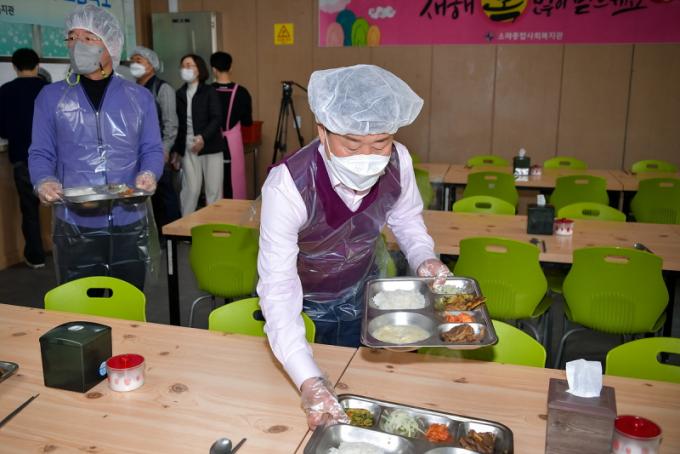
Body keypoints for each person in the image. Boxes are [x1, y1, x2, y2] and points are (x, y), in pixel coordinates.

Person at [257, 64, 451, 428]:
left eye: (380, 143)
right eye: (350, 144)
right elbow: (279, 288)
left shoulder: (399, 161)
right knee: (310, 397)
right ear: (322, 131)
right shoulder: (288, 185)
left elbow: (406, 219)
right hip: (304, 312)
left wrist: (424, 258)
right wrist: (309, 381)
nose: (367, 156)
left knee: (365, 395)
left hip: (365, 296)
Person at [28, 4, 164, 290]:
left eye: (88, 38)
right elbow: (41, 151)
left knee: (127, 300)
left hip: (129, 219)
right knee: (80, 305)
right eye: (72, 38)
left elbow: (151, 148)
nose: (78, 45)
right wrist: (44, 180)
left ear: (110, 44)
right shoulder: (51, 97)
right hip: (75, 223)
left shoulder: (139, 98)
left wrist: (149, 173)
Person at [0, 48, 48, 269]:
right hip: (52, 158)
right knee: (62, 205)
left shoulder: (5, 91)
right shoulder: (49, 90)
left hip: (22, 157)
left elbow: (2, 128)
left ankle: (36, 257)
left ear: (14, 67)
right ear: (38, 65)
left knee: (29, 209)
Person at [130, 46, 181, 237]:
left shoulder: (162, 88)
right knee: (144, 196)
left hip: (157, 150)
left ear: (151, 65)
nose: (134, 64)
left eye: (139, 60)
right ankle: (154, 237)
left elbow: (170, 123)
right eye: (132, 60)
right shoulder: (131, 89)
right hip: (136, 152)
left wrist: (164, 149)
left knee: (164, 196)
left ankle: (172, 236)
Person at [172, 54, 223, 215]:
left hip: (210, 145)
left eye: (189, 65)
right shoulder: (179, 94)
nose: (185, 69)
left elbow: (217, 117)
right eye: (183, 66)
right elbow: (178, 124)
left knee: (213, 189)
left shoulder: (209, 91)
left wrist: (203, 137)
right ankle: (185, 224)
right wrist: (177, 150)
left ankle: (214, 224)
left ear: (199, 69)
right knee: (191, 189)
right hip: (188, 145)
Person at [209, 51, 253, 200]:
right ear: (231, 67)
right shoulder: (242, 92)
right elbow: (247, 122)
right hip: (233, 141)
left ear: (213, 69)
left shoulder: (207, 91)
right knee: (235, 180)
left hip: (212, 141)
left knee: (214, 182)